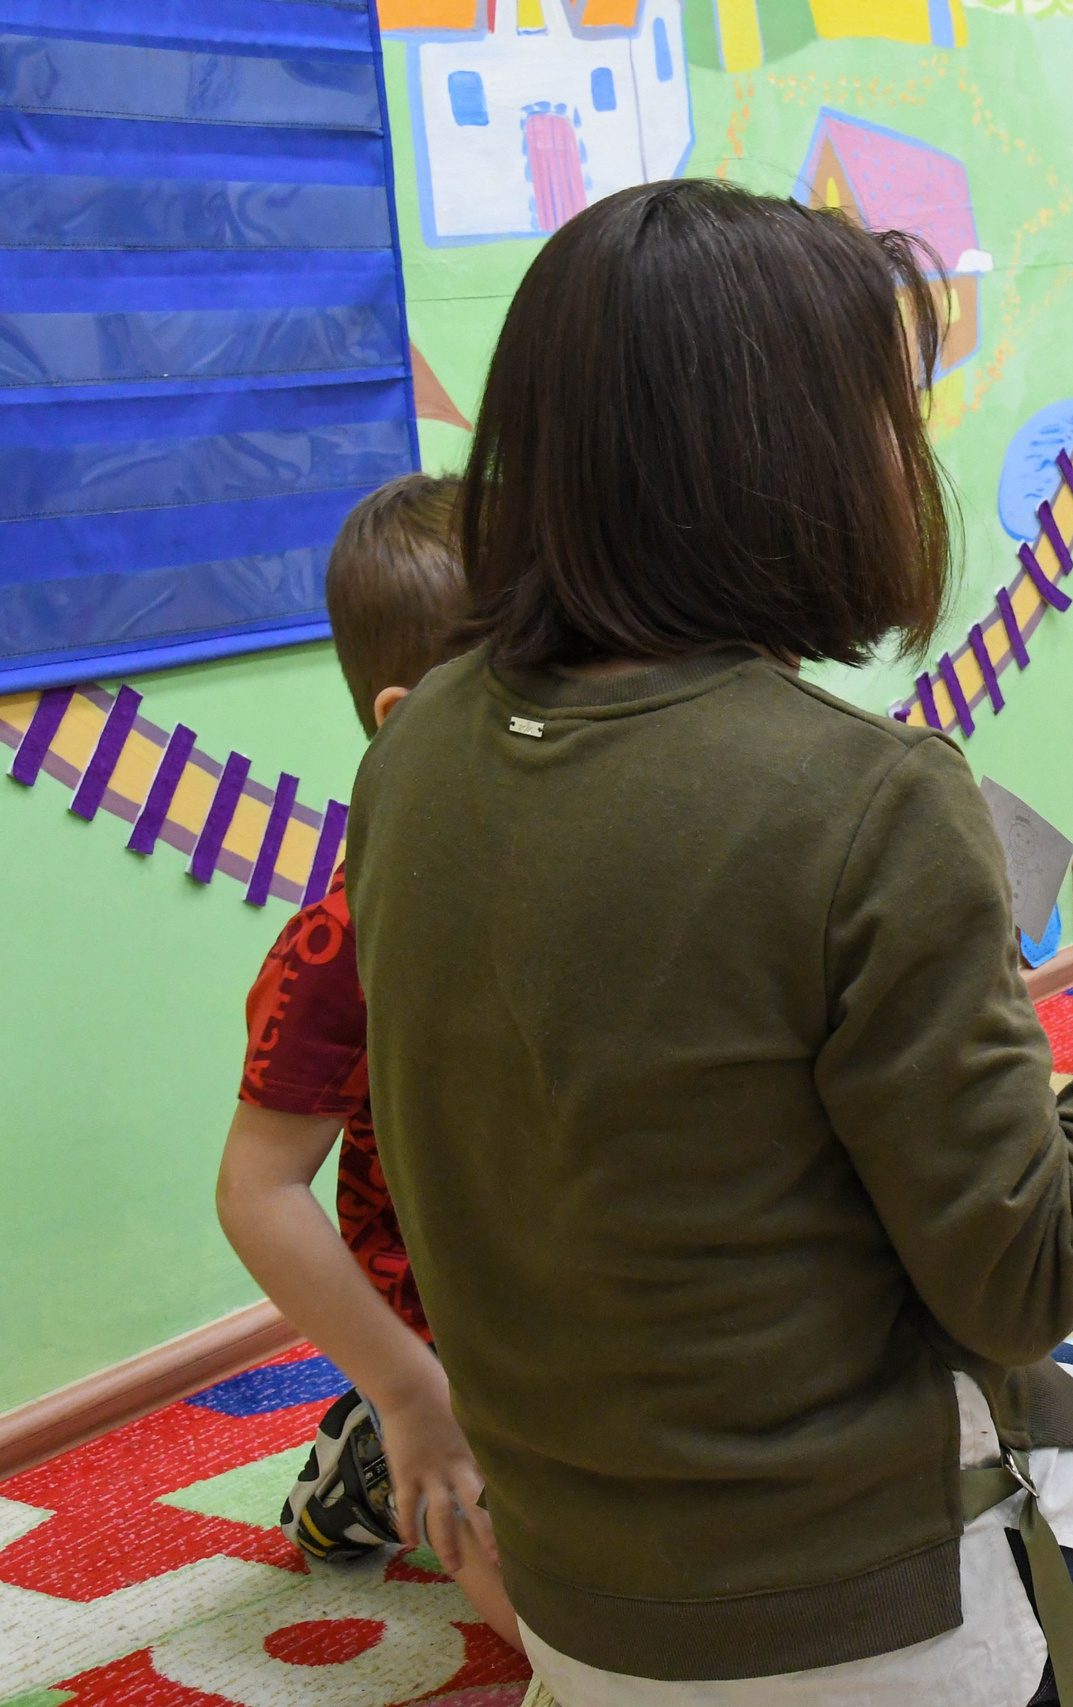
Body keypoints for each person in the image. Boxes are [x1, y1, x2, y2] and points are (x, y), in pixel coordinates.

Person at [342, 179, 1073, 1707]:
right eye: (892, 416)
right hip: (851, 1617)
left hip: (574, 1602)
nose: (911, 457)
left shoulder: (415, 747)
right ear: (795, 461)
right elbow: (1025, 1268)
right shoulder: (864, 792)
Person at [213, 474, 520, 1648]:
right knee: (561, 1623)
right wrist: (405, 1386)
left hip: (590, 1279)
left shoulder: (613, 860)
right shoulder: (345, 943)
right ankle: (371, 1451)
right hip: (446, 1328)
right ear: (409, 724)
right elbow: (257, 1188)